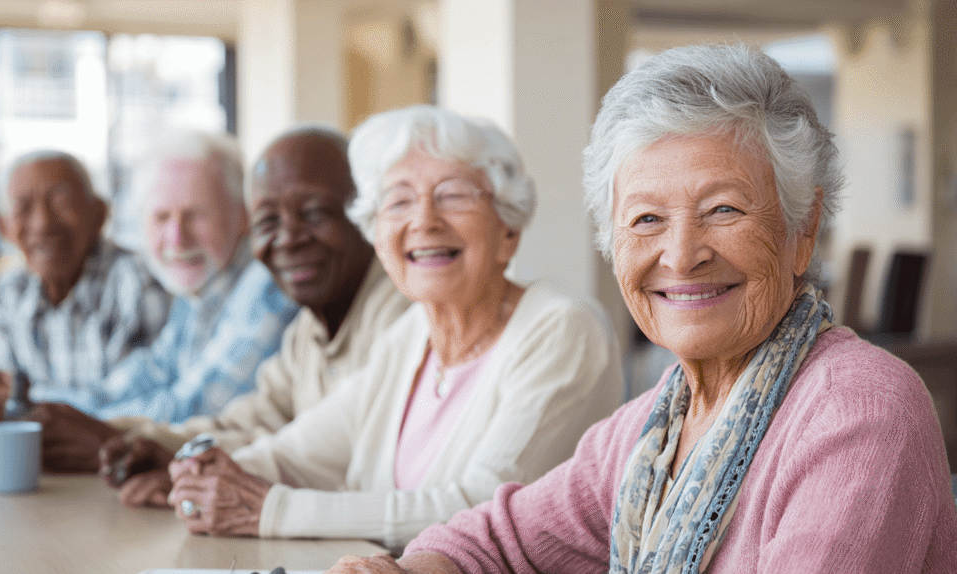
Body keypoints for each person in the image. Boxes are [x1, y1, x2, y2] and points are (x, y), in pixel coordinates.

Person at [327, 44, 957, 574]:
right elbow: (487, 540)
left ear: (803, 230)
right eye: (647, 219)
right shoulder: (652, 428)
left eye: (724, 210)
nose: (680, 256)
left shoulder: (861, 412)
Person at [164, 105, 621, 554]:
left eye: (453, 195)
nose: (423, 220)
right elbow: (294, 455)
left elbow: (481, 512)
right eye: (399, 200)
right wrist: (206, 477)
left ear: (508, 231)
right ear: (378, 236)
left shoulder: (563, 331)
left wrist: (272, 510)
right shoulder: (409, 335)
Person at [91, 126, 412, 500]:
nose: (289, 238)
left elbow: (340, 460)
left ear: (366, 215)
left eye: (314, 213)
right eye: (269, 221)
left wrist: (197, 469)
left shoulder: (401, 316)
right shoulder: (310, 327)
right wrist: (147, 444)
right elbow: (251, 424)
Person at [19, 131, 299, 472]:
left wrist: (83, 429)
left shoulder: (264, 286)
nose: (177, 239)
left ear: (242, 216)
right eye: (161, 217)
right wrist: (30, 405)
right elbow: (148, 374)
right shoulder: (199, 288)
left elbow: (191, 409)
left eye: (195, 215)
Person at [0, 151, 170, 439]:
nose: (42, 223)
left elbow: (158, 405)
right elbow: (1, 406)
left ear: (100, 214)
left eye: (61, 203)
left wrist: (29, 403)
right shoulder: (8, 294)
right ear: (4, 227)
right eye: (23, 208)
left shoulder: (138, 280)